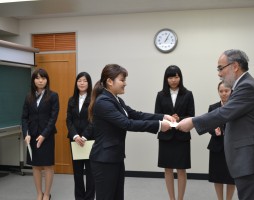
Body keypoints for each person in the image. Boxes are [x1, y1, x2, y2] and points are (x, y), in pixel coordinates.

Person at [176, 49, 254, 200]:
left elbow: (224, 113)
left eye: (220, 68)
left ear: (235, 66)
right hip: (248, 160)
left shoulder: (247, 86)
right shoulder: (242, 85)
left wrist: (192, 122)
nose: (219, 73)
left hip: (253, 160)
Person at [88, 64, 175, 200]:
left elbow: (136, 115)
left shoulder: (116, 99)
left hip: (115, 156)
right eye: (122, 80)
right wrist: (159, 126)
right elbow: (127, 123)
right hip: (104, 160)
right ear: (110, 81)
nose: (125, 84)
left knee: (117, 196)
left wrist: (162, 116)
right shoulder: (103, 102)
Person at [154, 65, 195, 200]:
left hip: (182, 135)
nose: (173, 80)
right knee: (168, 170)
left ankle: (180, 198)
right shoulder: (160, 95)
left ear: (180, 78)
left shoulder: (188, 94)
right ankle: (172, 198)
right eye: (170, 77)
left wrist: (180, 119)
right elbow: (157, 115)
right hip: (166, 136)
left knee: (182, 170)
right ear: (166, 79)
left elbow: (191, 115)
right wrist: (167, 117)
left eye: (176, 77)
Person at [22, 68, 59, 200]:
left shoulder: (53, 96)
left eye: (43, 78)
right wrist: (26, 133)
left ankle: (47, 194)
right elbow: (24, 117)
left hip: (47, 136)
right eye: (37, 78)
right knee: (36, 166)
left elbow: (53, 118)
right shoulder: (28, 96)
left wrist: (43, 135)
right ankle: (39, 193)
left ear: (47, 80)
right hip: (32, 136)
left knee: (48, 165)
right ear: (33, 80)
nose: (40, 80)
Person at [66, 72, 95, 200]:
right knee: (77, 174)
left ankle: (89, 198)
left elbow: (94, 120)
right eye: (79, 80)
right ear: (76, 83)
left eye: (84, 81)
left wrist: (84, 136)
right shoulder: (71, 100)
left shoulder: (94, 99)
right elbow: (68, 120)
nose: (82, 83)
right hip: (74, 141)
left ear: (89, 84)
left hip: (89, 140)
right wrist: (75, 136)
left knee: (90, 173)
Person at [207, 81, 235, 200]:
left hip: (233, 147)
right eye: (221, 91)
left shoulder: (236, 107)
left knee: (231, 177)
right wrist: (214, 131)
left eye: (226, 91)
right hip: (216, 146)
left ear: (231, 91)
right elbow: (208, 125)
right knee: (217, 176)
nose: (224, 94)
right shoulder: (213, 107)